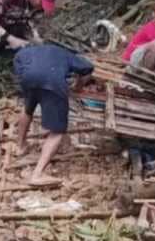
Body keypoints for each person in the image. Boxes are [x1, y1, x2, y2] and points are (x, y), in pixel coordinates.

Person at [13, 41, 95, 187]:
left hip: (28, 78)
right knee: (58, 131)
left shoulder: (25, 52)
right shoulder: (63, 52)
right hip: (52, 81)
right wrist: (78, 85)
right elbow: (88, 68)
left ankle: (20, 146)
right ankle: (37, 175)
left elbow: (18, 68)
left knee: (28, 108)